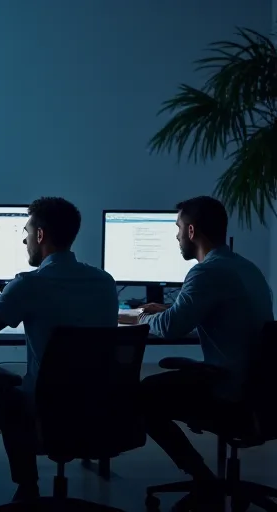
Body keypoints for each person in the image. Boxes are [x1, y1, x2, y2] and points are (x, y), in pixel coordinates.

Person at [0, 197, 117, 502]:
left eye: (27, 232)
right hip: (98, 407)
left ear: (41, 235)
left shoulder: (28, 284)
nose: (24, 239)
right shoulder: (104, 282)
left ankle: (28, 485)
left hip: (46, 409)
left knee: (1, 389)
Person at [132, 196, 272, 507]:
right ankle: (205, 478)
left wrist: (139, 316)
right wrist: (172, 307)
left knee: (142, 395)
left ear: (192, 231)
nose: (177, 236)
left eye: (178, 228)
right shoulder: (245, 267)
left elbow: (170, 328)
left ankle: (202, 477)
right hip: (261, 390)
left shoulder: (206, 272)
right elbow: (222, 313)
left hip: (229, 390)